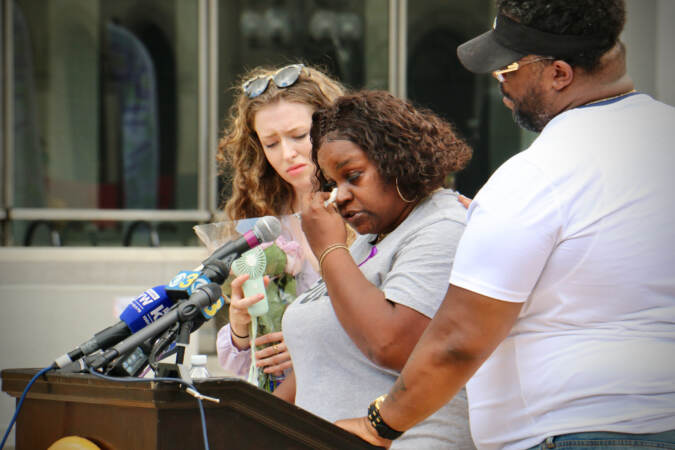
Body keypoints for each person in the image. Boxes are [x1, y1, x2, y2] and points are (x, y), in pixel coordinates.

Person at [336, 1, 675, 449]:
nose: (501, 86)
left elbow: (458, 341)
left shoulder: (537, 176)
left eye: (507, 69)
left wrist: (378, 426)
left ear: (559, 73)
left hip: (571, 432)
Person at [264, 89, 473, 448]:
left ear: (397, 160)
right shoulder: (368, 241)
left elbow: (392, 345)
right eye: (330, 184)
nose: (339, 196)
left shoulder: (443, 226)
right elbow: (319, 366)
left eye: (353, 176)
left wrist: (329, 249)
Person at [214, 63, 346, 383]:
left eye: (299, 135)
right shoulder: (261, 217)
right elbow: (243, 365)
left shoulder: (366, 206)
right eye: (271, 143)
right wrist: (240, 327)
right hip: (284, 409)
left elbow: (396, 329)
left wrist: (308, 343)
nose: (287, 153)